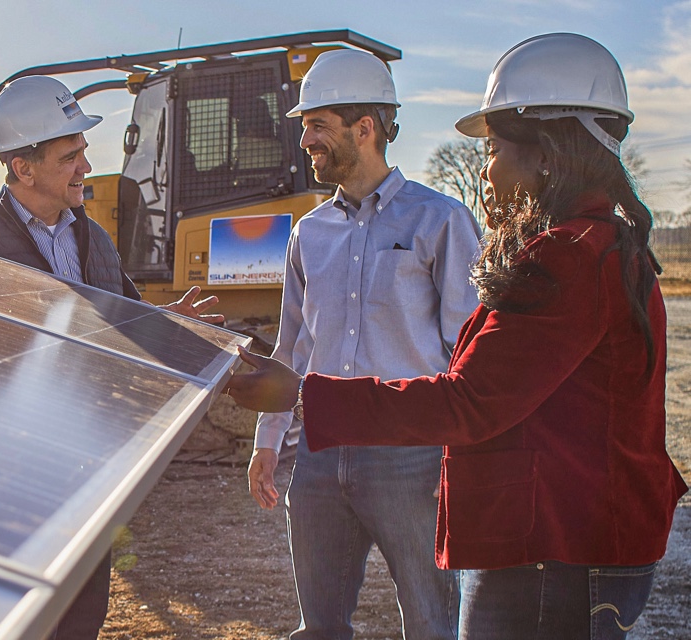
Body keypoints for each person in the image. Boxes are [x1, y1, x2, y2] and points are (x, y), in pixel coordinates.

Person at [227, 33, 688, 639]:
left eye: (494, 149)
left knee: (431, 622)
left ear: (546, 152)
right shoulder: (598, 247)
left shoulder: (562, 255)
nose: (486, 167)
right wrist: (281, 430)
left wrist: (305, 398)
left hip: (552, 539)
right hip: (552, 532)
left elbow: (469, 396)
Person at [0, 74, 222, 640]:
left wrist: (175, 326)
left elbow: (127, 330)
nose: (86, 167)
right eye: (71, 156)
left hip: (78, 476)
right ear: (23, 168)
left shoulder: (94, 240)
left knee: (80, 618)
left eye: (83, 152)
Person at [247, 49, 481, 639]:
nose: (306, 141)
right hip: (320, 457)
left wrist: (471, 455)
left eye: (317, 125)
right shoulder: (309, 233)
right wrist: (268, 442)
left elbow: (469, 349)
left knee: (431, 624)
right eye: (305, 127)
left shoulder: (441, 221)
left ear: (366, 127)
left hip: (412, 458)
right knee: (319, 627)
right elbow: (292, 346)